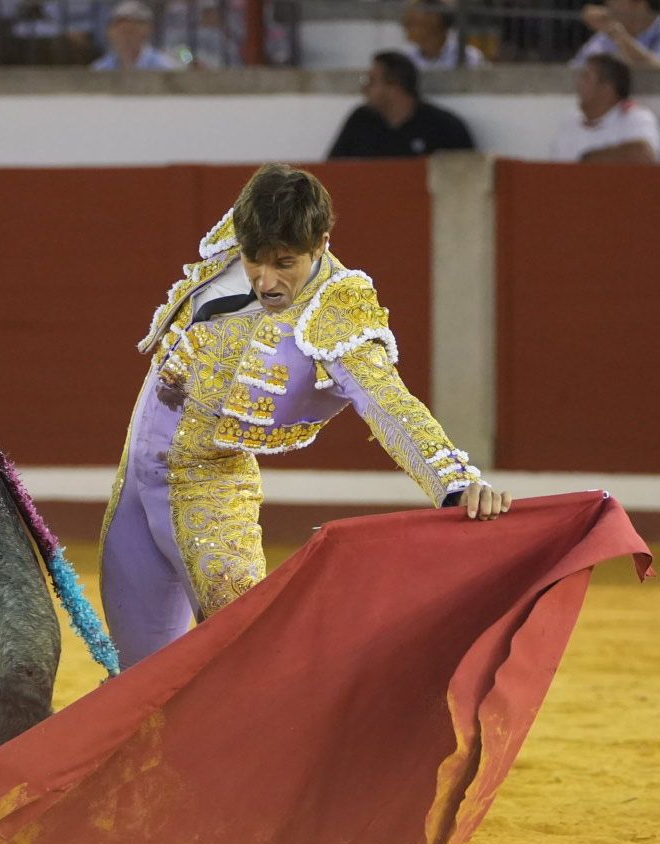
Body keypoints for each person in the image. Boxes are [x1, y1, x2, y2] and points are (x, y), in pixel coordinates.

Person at [99, 164, 510, 668]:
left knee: (249, 659)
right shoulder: (237, 239)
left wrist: (455, 484)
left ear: (321, 244)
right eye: (255, 261)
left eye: (285, 263)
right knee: (134, 675)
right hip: (133, 484)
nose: (266, 280)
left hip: (208, 489)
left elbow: (389, 402)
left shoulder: (337, 309)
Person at [327, 51, 475, 159]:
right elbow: (332, 171)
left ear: (394, 85)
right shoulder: (360, 120)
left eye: (371, 81)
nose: (364, 89)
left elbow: (469, 176)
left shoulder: (444, 127)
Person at [550, 54, 660, 163]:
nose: (578, 84)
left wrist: (590, 161)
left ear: (606, 88)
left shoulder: (635, 118)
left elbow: (643, 155)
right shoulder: (569, 122)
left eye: (586, 77)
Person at [571, 0, 660, 67]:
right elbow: (576, 72)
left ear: (640, 4)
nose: (608, 5)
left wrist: (621, 38)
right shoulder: (603, 39)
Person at [91, 0, 181, 70]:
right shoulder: (100, 68)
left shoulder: (165, 67)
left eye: (131, 31)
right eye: (121, 31)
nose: (125, 38)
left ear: (147, 31)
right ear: (110, 32)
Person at [400, 0, 487, 70]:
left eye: (412, 22)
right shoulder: (406, 60)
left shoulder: (469, 58)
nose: (405, 27)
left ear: (434, 22)